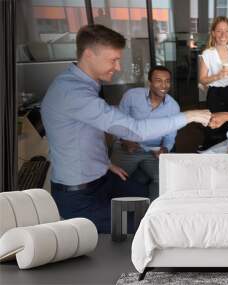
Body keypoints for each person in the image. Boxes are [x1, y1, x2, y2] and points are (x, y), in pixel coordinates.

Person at [41, 24, 211, 233]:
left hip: (99, 177)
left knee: (141, 194)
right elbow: (134, 130)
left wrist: (103, 164)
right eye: (113, 59)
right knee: (144, 224)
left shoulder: (79, 84)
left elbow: (83, 133)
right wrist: (189, 115)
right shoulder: (74, 93)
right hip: (80, 196)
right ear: (88, 55)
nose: (118, 67)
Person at [110, 65, 179, 201]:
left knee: (164, 180)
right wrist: (125, 140)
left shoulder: (173, 107)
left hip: (153, 150)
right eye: (158, 80)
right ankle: (120, 210)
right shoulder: (132, 96)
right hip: (127, 146)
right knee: (115, 179)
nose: (164, 85)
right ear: (150, 82)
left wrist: (164, 149)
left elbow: (170, 137)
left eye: (167, 81)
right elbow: (117, 122)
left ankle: (152, 212)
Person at [198, 16, 228, 150]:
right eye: (219, 31)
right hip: (215, 93)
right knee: (213, 123)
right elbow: (202, 79)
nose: (223, 34)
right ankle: (210, 151)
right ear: (213, 33)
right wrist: (218, 76)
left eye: (226, 31)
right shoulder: (207, 53)